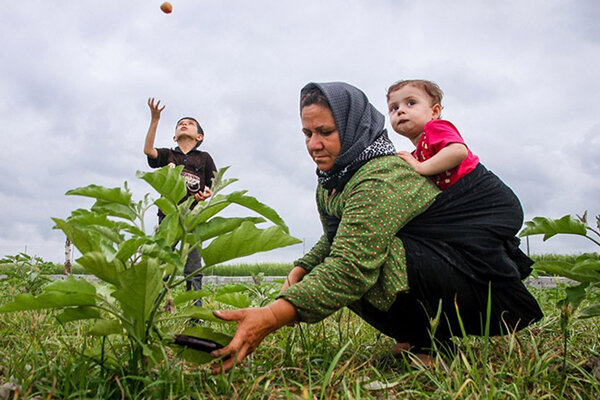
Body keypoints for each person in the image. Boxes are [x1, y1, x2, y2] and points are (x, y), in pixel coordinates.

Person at [209, 82, 542, 372]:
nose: (314, 144)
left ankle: (434, 345)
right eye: (308, 134)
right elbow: (335, 236)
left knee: (371, 261)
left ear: (353, 127)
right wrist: (302, 267)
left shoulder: (380, 175)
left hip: (469, 275)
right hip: (437, 264)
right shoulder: (332, 181)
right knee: (337, 261)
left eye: (326, 132)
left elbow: (352, 265)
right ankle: (420, 339)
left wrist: (271, 317)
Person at [144, 98, 217, 303]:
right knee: (162, 266)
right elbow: (149, 151)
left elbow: (215, 181)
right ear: (175, 136)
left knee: (193, 268)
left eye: (190, 123)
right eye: (180, 123)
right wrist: (155, 119)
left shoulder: (204, 158)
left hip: (193, 218)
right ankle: (155, 308)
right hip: (167, 218)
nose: (184, 124)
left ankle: (195, 314)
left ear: (200, 136)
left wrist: (208, 194)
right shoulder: (168, 155)